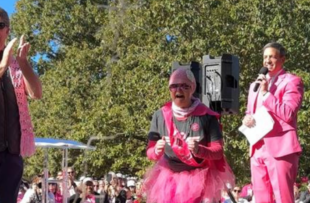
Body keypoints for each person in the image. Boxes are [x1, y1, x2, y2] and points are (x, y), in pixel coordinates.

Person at [143, 68, 235, 203]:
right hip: (169, 180)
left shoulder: (207, 115)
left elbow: (218, 151)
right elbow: (150, 152)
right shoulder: (160, 115)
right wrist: (156, 150)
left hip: (200, 180)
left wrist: (200, 150)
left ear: (192, 88)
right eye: (174, 86)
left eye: (184, 86)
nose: (178, 90)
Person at [242, 42, 304, 203]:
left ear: (282, 59)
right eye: (265, 57)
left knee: (283, 197)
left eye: (272, 56)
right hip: (257, 147)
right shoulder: (254, 85)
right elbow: (250, 112)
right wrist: (247, 118)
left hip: (280, 148)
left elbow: (288, 113)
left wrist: (266, 93)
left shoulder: (292, 81)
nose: (267, 60)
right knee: (261, 198)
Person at [0, 7, 42, 203]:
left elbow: (36, 93)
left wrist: (23, 62)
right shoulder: (6, 63)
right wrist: (2, 65)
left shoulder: (15, 65)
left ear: (7, 30)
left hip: (11, 153)